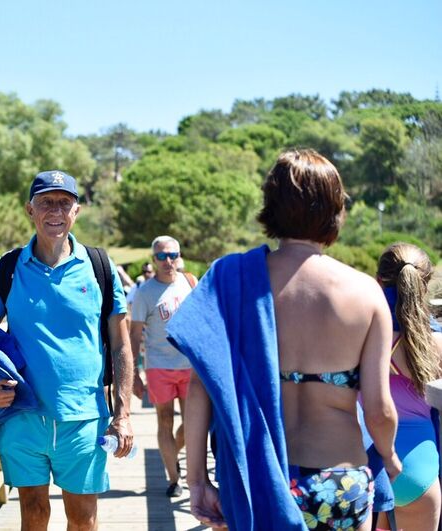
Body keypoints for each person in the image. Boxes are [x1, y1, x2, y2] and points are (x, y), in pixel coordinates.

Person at [168, 149, 401, 530]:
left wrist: (196, 481)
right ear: (335, 209)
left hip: (256, 480)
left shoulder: (231, 279)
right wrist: (389, 456)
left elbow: (200, 387)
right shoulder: (366, 293)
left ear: (271, 205)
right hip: (340, 480)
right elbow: (378, 409)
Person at [0, 170, 134, 531]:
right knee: (33, 513)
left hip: (83, 416)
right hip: (22, 415)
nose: (55, 211)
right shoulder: (8, 268)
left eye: (64, 203)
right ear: (29, 210)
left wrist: (123, 413)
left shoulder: (99, 267)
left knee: (83, 519)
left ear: (76, 211)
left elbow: (122, 345)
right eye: (46, 202)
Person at [374, 243, 442, 531]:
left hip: (370, 463)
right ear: (423, 286)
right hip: (420, 470)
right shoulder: (436, 342)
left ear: (379, 281)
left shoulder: (361, 336)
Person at [130, 236, 197, 497]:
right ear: (153, 260)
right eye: (161, 257)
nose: (168, 261)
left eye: (172, 255)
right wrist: (134, 373)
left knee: (192, 423)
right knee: (165, 419)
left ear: (179, 256)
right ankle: (174, 479)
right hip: (158, 365)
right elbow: (134, 334)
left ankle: (174, 452)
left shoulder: (190, 283)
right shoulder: (145, 293)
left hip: (189, 365)